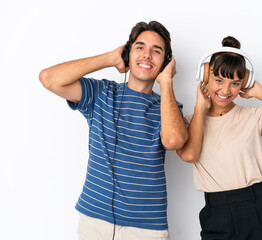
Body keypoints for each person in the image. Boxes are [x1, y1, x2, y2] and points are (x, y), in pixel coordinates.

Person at [39, 21, 188, 240]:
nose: (147, 55)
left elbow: (174, 141)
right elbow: (48, 78)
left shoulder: (169, 108)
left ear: (166, 62)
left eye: (156, 51)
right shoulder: (101, 93)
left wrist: (166, 81)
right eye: (140, 47)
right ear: (128, 53)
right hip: (94, 222)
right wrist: (110, 58)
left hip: (146, 228)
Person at [176, 36, 262, 240]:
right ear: (205, 75)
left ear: (244, 82)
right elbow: (190, 154)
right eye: (218, 80)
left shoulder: (252, 116)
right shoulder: (189, 122)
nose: (226, 90)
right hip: (216, 214)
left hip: (258, 207)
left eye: (235, 83)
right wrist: (199, 108)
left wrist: (260, 92)